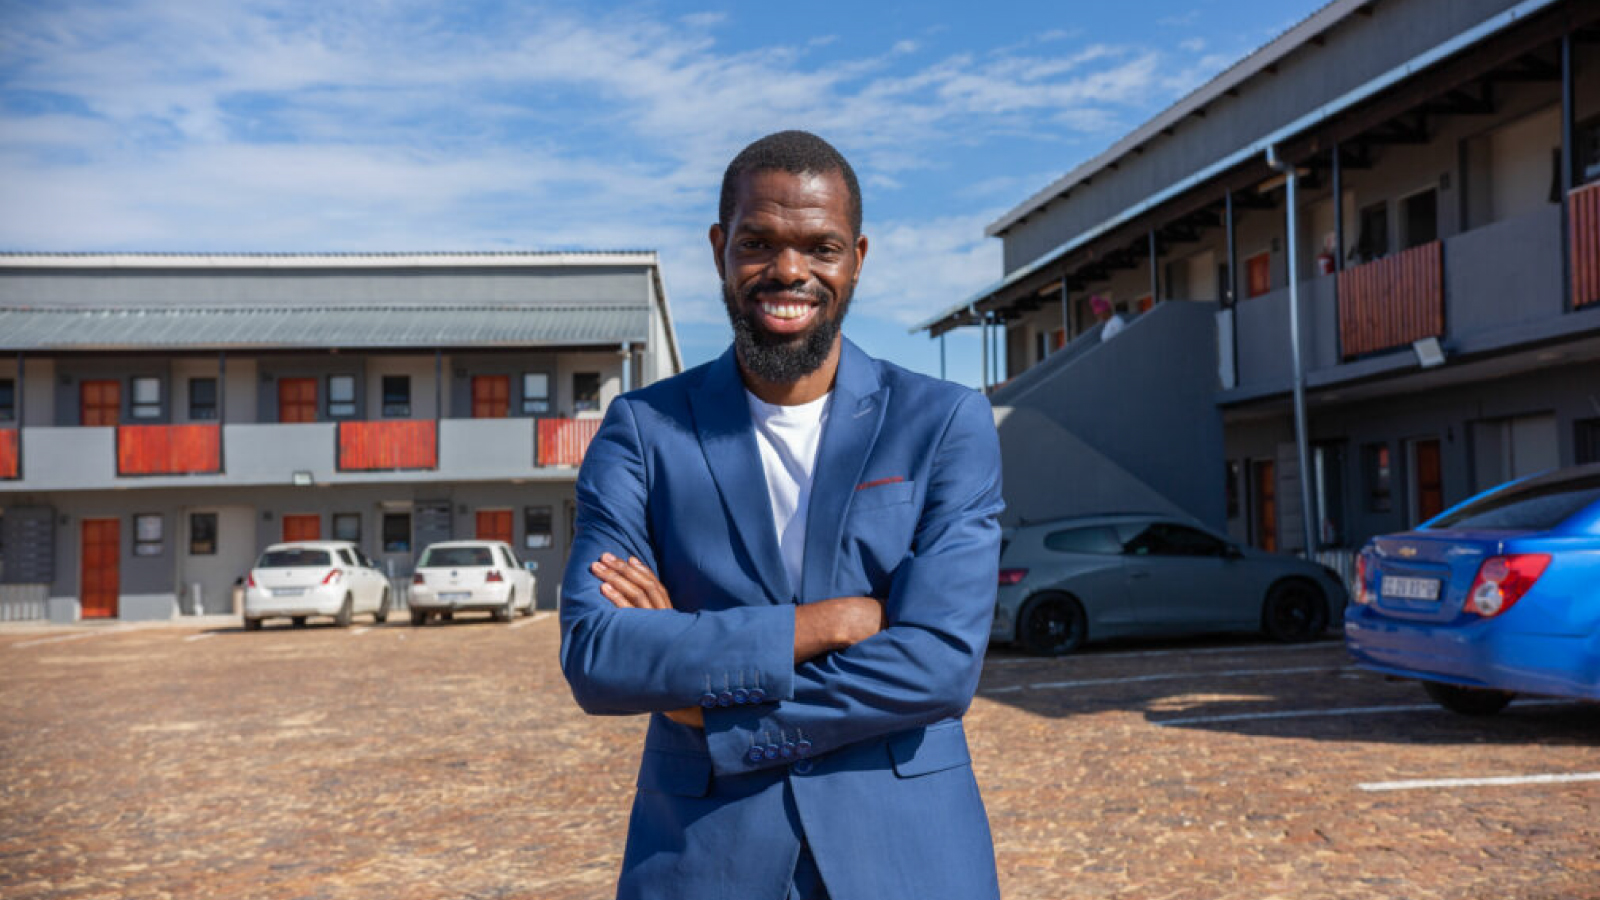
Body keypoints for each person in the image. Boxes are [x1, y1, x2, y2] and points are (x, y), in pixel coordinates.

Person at [559, 130, 1004, 900]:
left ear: (857, 257)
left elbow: (938, 664)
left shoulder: (943, 422)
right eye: (759, 242)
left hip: (909, 856)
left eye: (819, 247)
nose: (789, 271)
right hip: (703, 860)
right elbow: (600, 653)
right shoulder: (642, 430)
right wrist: (826, 623)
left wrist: (708, 706)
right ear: (719, 249)